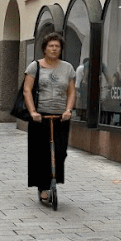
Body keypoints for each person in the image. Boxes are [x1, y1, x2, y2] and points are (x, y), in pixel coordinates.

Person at [23, 31, 76, 204]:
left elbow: (71, 91)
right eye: (51, 46)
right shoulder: (35, 67)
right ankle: (43, 187)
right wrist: (33, 112)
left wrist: (68, 110)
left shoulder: (67, 68)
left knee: (60, 152)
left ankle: (54, 180)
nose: (54, 49)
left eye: (57, 46)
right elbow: (27, 90)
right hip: (40, 116)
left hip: (61, 116)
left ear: (61, 49)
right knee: (42, 153)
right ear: (44, 49)